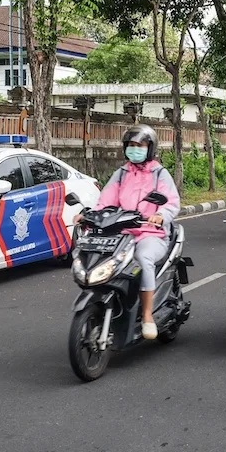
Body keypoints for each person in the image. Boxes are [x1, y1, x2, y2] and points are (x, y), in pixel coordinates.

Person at [75, 125, 179, 340]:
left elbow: (171, 202)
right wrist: (89, 216)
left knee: (142, 259)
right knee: (105, 259)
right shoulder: (121, 174)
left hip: (150, 232)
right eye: (130, 145)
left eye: (139, 145)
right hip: (122, 232)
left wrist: (160, 215)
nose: (134, 149)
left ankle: (148, 314)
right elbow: (105, 200)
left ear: (149, 148)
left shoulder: (159, 173)